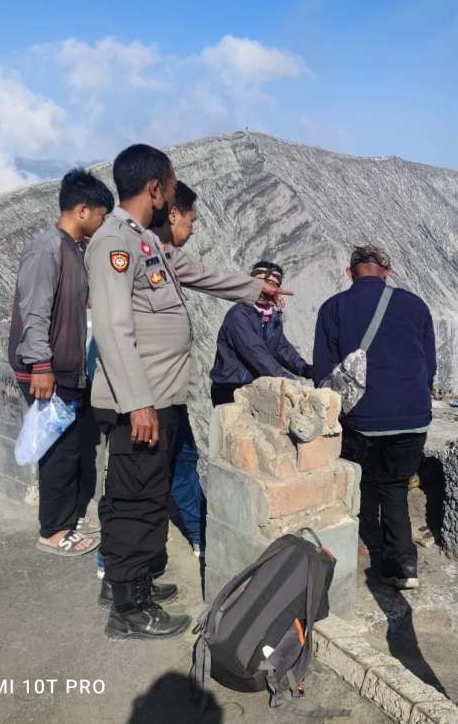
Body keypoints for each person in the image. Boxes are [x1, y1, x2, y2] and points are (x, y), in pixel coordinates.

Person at [87, 144, 290, 640]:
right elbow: (113, 330)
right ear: (155, 189)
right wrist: (138, 402)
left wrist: (252, 289)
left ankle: (127, 584)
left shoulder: (145, 242)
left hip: (159, 397)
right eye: (172, 187)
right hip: (143, 401)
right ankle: (129, 610)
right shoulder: (114, 243)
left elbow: (197, 274)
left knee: (143, 494)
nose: (175, 197)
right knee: (136, 500)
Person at [313, 245, 435, 590]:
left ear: (350, 273)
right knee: (394, 486)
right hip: (413, 417)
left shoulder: (333, 308)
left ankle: (356, 543)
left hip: (362, 417)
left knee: (359, 477)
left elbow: (324, 371)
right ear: (387, 272)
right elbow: (430, 366)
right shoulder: (415, 305)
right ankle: (403, 564)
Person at [8, 168, 113, 557]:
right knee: (59, 450)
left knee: (75, 445)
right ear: (82, 210)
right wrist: (40, 366)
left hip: (67, 368)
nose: (102, 224)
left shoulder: (74, 249)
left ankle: (67, 519)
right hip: (47, 370)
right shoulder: (46, 248)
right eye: (101, 215)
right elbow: (34, 311)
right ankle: (52, 532)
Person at [154, 180, 205, 560]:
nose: (193, 226)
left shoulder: (165, 256)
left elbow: (210, 278)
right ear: (173, 213)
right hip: (148, 397)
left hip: (173, 392)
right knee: (140, 481)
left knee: (185, 462)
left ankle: (199, 533)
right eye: (191, 218)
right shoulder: (137, 255)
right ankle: (125, 571)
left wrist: (254, 290)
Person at [210, 260, 313, 407]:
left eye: (273, 285)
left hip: (252, 387)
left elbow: (280, 347)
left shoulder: (271, 316)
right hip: (230, 388)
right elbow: (256, 353)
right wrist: (289, 381)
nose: (266, 290)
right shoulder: (239, 315)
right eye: (261, 284)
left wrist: (305, 369)